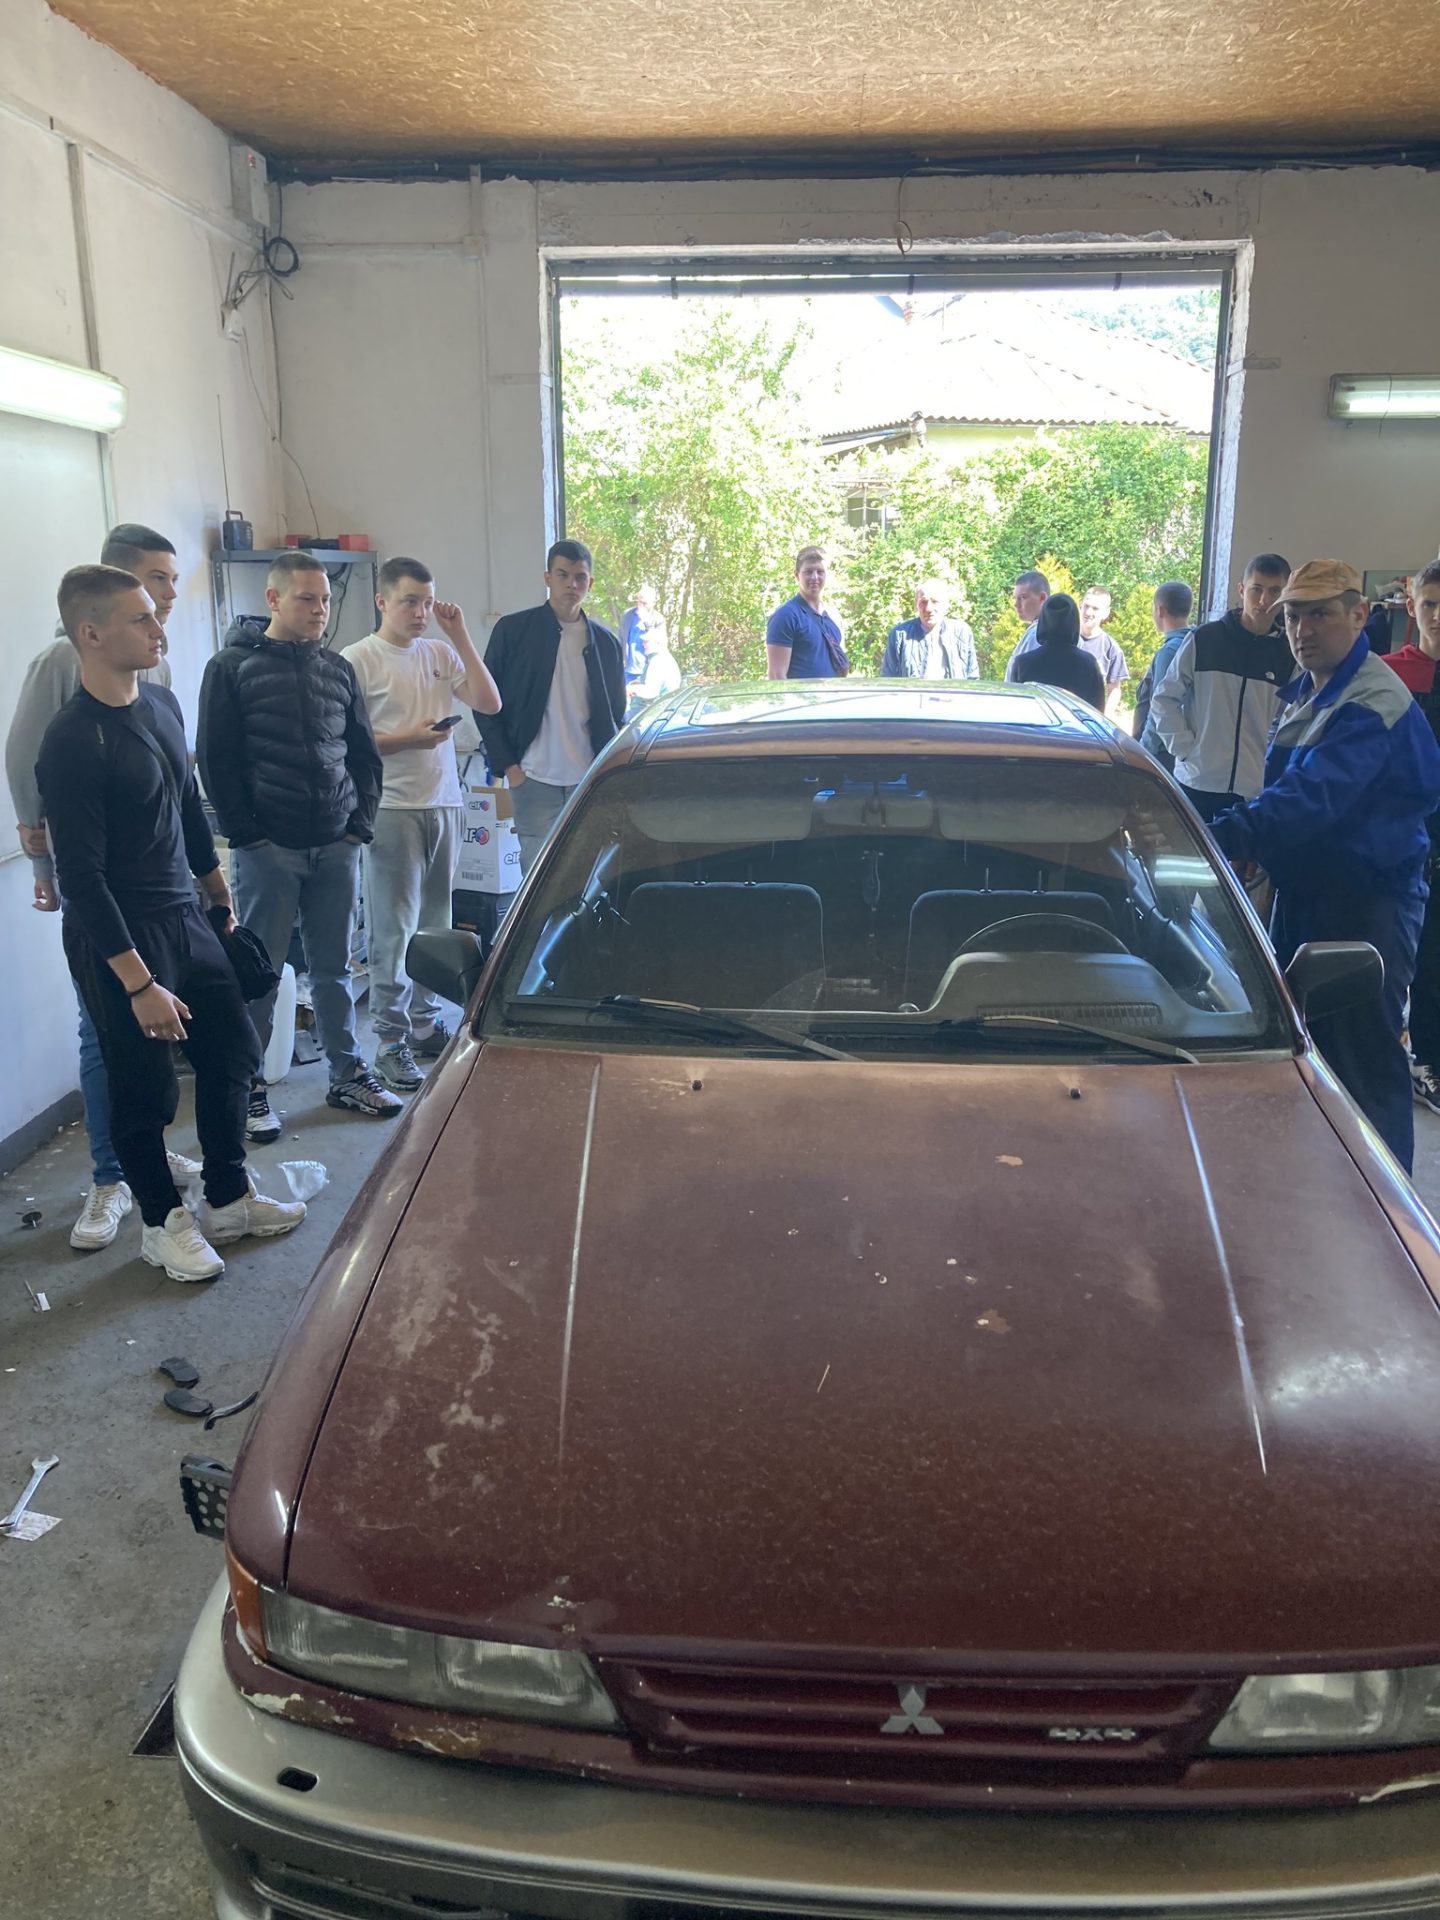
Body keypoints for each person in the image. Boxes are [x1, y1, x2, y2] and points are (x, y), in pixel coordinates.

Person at [35, 566, 306, 1281]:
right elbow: (80, 880)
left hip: (185, 916)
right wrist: (138, 983)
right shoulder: (71, 741)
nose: (159, 628)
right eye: (140, 619)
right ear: (91, 634)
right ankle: (162, 1223)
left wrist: (217, 892)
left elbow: (186, 804)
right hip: (120, 936)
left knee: (234, 1053)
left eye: (155, 615)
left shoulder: (160, 704)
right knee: (142, 1091)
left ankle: (227, 1197)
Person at [1208, 560, 1440, 1174]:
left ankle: (1386, 1211)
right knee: (1310, 1060)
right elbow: (1286, 798)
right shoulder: (1312, 690)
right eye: (1291, 616)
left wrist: (1219, 837)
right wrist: (1253, 842)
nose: (1302, 630)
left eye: (1320, 614)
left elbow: (1309, 801)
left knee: (1362, 1065)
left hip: (1366, 911)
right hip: (1310, 898)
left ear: (1359, 615)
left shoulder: (1370, 700)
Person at [5, 523, 192, 1251]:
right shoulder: (64, 660)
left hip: (158, 889)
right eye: (155, 580)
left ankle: (145, 1156)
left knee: (150, 1034)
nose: (167, 596)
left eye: (170, 581)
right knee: (104, 1027)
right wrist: (44, 868)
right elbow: (28, 761)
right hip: (99, 890)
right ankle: (111, 1175)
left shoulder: (152, 663)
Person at [197, 550, 400, 1130]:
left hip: (336, 844)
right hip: (270, 850)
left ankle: (348, 1075)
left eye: (326, 599)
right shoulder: (230, 668)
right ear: (273, 599)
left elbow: (364, 756)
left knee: (335, 969)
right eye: (307, 598)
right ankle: (248, 1088)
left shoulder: (336, 669)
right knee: (260, 974)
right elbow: (216, 760)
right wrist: (248, 837)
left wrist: (358, 828)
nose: (319, 609)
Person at [345, 558, 501, 1092]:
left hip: (444, 803)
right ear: (382, 601)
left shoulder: (439, 652)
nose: (421, 612)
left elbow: (489, 702)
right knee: (393, 927)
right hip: (391, 807)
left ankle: (424, 1024)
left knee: (437, 923)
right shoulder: (358, 659)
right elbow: (346, 741)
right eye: (410, 601)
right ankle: (388, 1039)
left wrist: (459, 634)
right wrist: (409, 739)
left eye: (428, 602)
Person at [476, 540, 626, 875]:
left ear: (590, 583)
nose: (572, 584)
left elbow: (617, 714)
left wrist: (606, 771)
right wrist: (510, 767)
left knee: (587, 874)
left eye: (580, 577)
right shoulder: (513, 632)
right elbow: (484, 703)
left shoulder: (606, 644)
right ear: (547, 578)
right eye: (563, 575)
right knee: (538, 877)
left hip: (588, 779)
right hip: (532, 778)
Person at [1149, 553, 1291, 822]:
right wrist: (1185, 749)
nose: (1264, 600)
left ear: (1285, 596)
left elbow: (1290, 719)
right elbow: (1164, 698)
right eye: (1257, 589)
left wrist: (1269, 764)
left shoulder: (1287, 655)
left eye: (1275, 591)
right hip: (1196, 780)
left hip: (1251, 790)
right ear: (1242, 590)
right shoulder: (1204, 639)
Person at [1381, 561, 1440, 1114]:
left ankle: (1429, 1058)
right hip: (1399, 841)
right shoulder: (1388, 676)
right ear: (1412, 607)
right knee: (1397, 953)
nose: (1438, 616)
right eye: (1431, 605)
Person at [1134, 580, 1196, 768]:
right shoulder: (1196, 644)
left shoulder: (1169, 652)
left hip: (1164, 752)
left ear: (1159, 610)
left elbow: (1159, 707)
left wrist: (1144, 753)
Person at [1009, 593, 1106, 711]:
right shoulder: (1089, 664)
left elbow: (1015, 709)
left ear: (1043, 621)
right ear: (1074, 622)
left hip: (1035, 722)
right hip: (1075, 723)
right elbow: (1098, 712)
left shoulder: (1022, 664)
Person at [765, 547, 849, 679]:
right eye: (808, 572)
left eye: (820, 572)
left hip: (833, 692)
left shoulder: (833, 616)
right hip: (801, 693)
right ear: (797, 575)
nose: (814, 577)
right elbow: (777, 675)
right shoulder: (786, 616)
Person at [880, 580, 979, 679]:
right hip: (912, 690)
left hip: (952, 690)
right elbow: (888, 679)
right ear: (916, 605)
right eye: (923, 602)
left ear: (945, 604)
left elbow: (973, 678)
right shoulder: (900, 635)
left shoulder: (962, 633)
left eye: (935, 601)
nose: (928, 608)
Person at [1077, 588, 1129, 719]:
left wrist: (1105, 718)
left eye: (1095, 608)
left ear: (1106, 613)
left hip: (1090, 720)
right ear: (1080, 606)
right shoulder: (1065, 638)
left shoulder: (1111, 648)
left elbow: (1114, 689)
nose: (1088, 612)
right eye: (1086, 606)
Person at [1002, 570, 1050, 680]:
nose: (1016, 604)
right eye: (1015, 598)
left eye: (1023, 597)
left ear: (1042, 597)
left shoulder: (1037, 635)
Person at [619, 585, 666, 691]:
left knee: (641, 699)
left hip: (646, 669)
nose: (640, 606)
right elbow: (621, 639)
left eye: (644, 603)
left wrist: (647, 622)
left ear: (653, 603)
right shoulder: (628, 615)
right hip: (628, 668)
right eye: (639, 602)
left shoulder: (658, 619)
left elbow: (659, 643)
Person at [630, 620, 683, 705]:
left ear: (658, 643)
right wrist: (638, 682)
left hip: (657, 707)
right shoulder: (665, 657)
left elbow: (651, 692)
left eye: (646, 642)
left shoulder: (657, 662)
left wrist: (631, 689)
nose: (643, 645)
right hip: (664, 704)